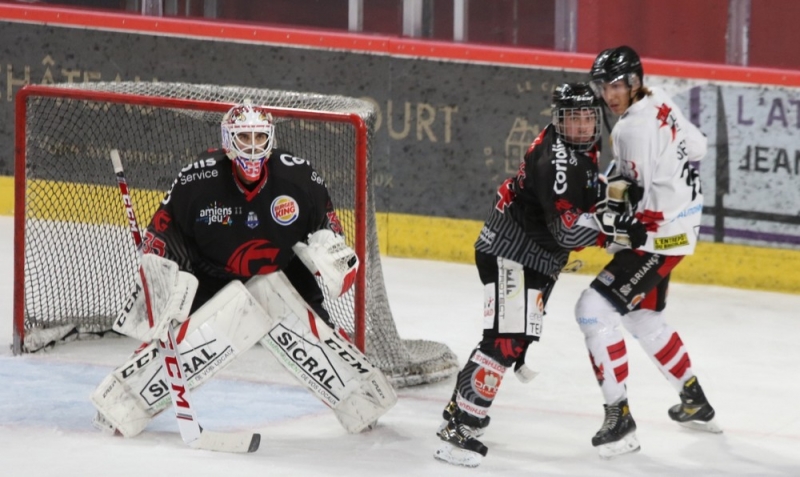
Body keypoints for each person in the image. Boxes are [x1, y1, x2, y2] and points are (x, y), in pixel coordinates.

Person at [90, 100, 395, 438]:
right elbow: (162, 232)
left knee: (321, 339)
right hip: (210, 273)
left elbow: (330, 231)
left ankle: (363, 400)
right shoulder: (197, 180)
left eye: (259, 138)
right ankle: (122, 403)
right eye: (244, 138)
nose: (252, 147)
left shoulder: (299, 178)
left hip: (284, 271)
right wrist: (159, 279)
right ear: (228, 141)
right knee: (176, 343)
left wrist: (334, 260)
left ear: (271, 139)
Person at [434, 83, 626, 467]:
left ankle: (460, 410)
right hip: (511, 255)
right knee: (505, 341)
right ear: (559, 120)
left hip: (532, 259)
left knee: (515, 339)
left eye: (588, 117)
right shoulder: (556, 162)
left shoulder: (580, 149)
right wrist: (612, 227)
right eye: (573, 119)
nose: (582, 126)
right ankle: (461, 430)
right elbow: (567, 233)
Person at [575, 45, 720, 459]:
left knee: (592, 309)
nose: (609, 94)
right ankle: (694, 398)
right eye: (604, 85)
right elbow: (698, 149)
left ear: (634, 81)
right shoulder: (659, 98)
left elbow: (630, 203)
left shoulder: (629, 130)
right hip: (682, 223)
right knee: (642, 315)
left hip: (660, 234)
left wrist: (597, 221)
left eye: (617, 84)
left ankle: (618, 418)